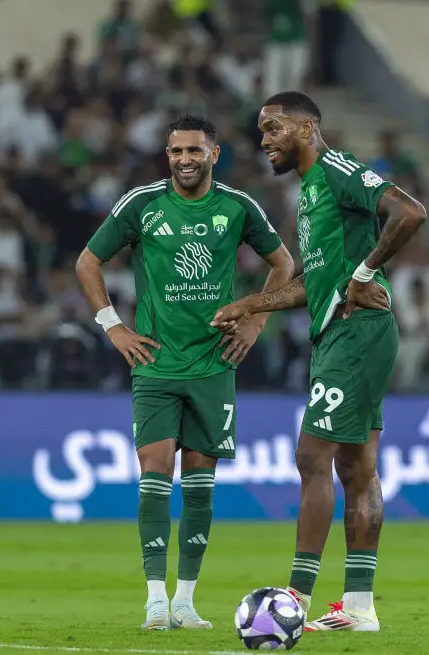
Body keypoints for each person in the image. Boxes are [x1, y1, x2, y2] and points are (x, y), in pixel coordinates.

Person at [210, 91, 427, 632]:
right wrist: (250, 303)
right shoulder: (310, 191)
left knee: (312, 457)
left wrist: (365, 273)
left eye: (274, 128)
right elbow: (312, 281)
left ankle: (296, 598)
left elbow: (410, 212)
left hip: (356, 334)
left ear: (307, 128)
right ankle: (358, 609)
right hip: (342, 333)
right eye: (262, 132)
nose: (265, 141)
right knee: (356, 469)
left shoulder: (336, 170)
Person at [74, 113, 294, 631]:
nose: (185, 160)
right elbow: (88, 261)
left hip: (215, 362)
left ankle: (185, 601)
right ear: (167, 156)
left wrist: (255, 322)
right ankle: (154, 597)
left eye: (195, 151)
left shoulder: (238, 208)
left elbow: (284, 264)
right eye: (176, 152)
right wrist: (113, 328)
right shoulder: (142, 204)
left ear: (214, 154)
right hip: (154, 361)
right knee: (155, 469)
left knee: (200, 482)